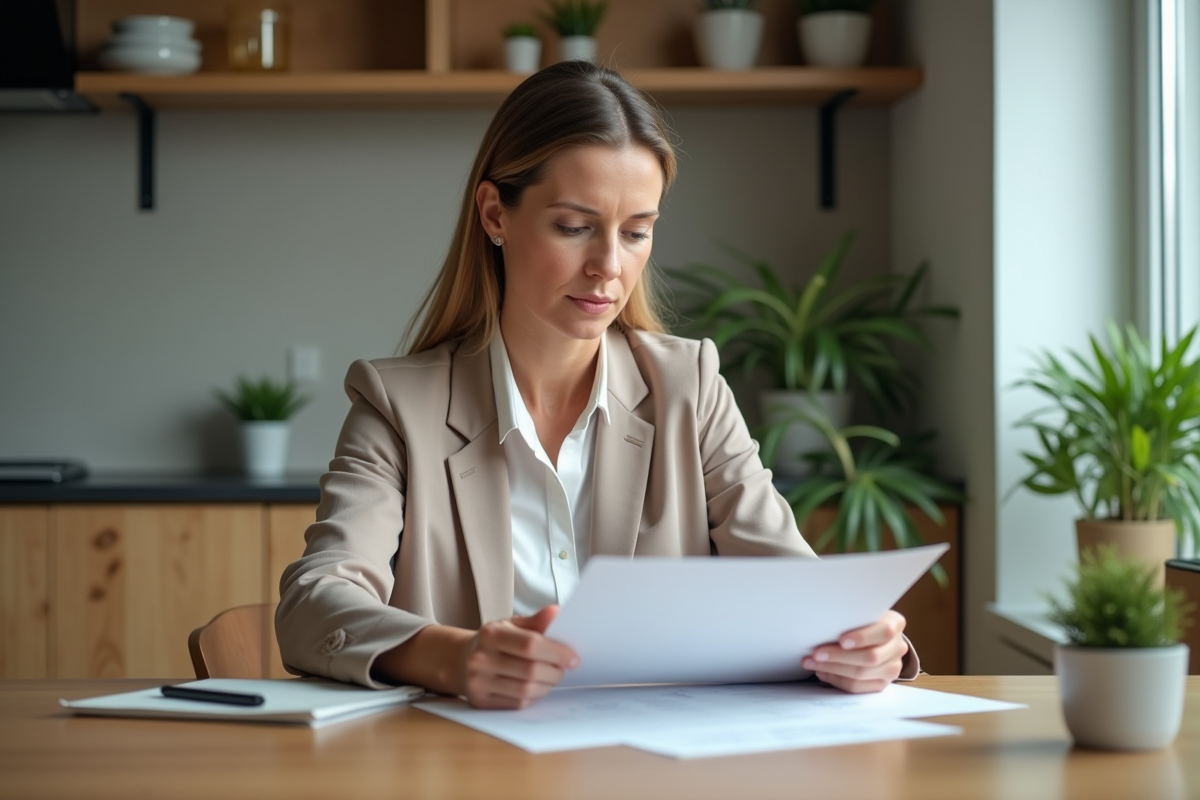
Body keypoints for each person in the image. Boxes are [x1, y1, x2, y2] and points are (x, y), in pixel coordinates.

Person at [276, 61, 916, 710]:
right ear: (495, 214)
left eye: (636, 232)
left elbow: (798, 590)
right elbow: (313, 605)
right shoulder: (397, 407)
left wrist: (859, 642)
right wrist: (456, 658)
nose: (609, 266)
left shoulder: (689, 387)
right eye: (574, 227)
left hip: (658, 750)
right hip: (473, 756)